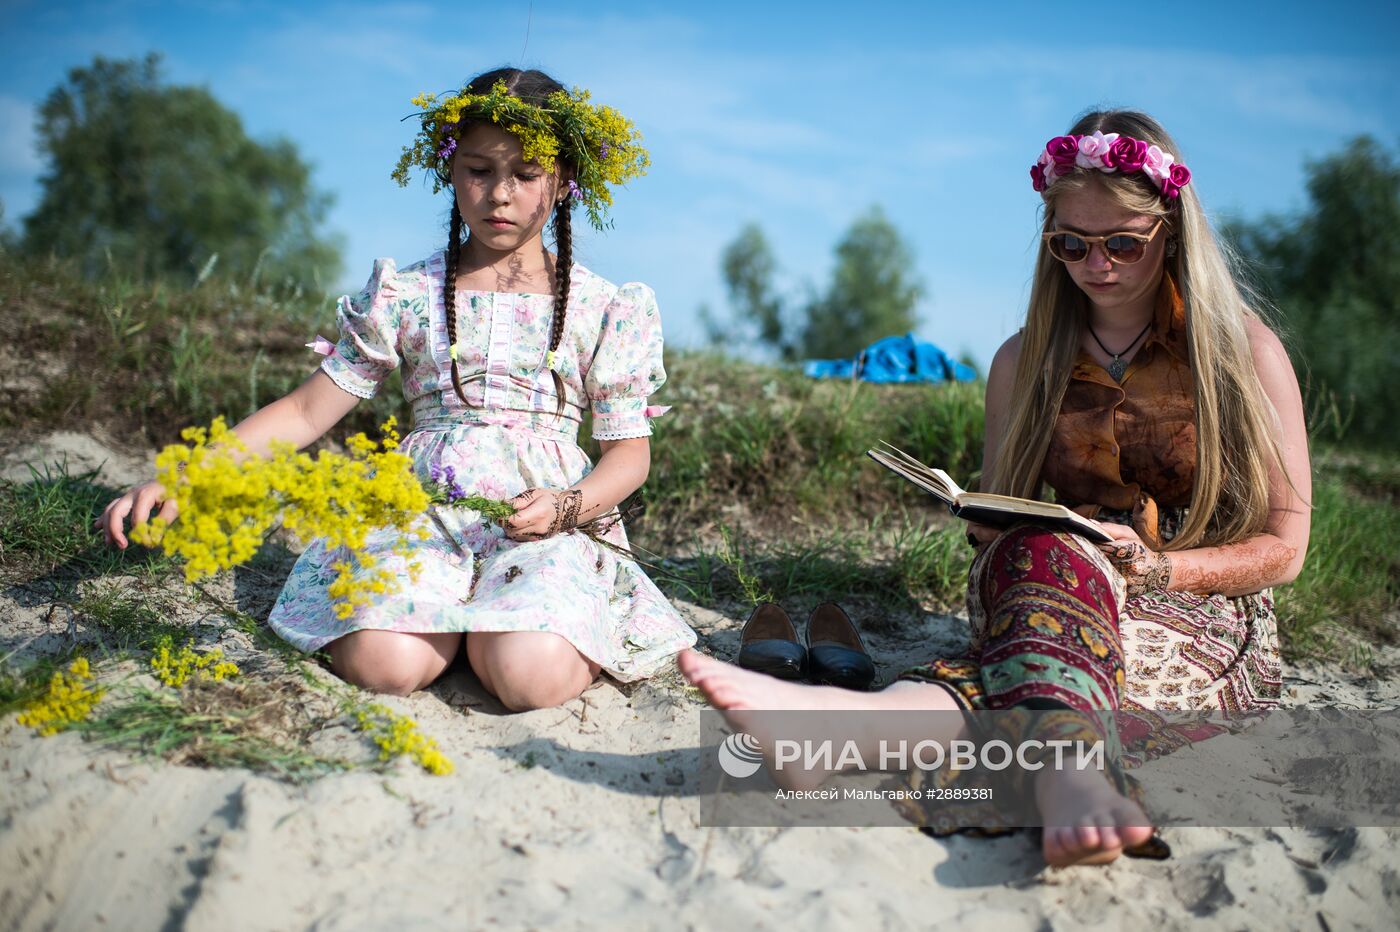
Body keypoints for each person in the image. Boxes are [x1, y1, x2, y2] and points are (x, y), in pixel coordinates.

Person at [680, 109, 1310, 867]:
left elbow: (1287, 547)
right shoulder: (1023, 360)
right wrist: (986, 518)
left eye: (1121, 243)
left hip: (1195, 601)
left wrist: (1158, 566)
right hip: (1048, 579)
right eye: (1070, 243)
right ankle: (1070, 782)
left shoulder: (1244, 352)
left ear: (1170, 229)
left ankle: (855, 733)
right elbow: (1000, 506)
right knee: (1051, 568)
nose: (1095, 264)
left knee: (1014, 669)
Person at [100, 67, 696, 709]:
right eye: (478, 170)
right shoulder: (406, 294)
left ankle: (496, 631)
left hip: (548, 520)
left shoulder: (605, 306)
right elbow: (305, 411)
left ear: (565, 179)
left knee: (530, 677)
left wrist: (567, 508)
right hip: (421, 509)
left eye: (526, 174)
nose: (500, 194)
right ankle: (451, 628)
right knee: (383, 662)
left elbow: (629, 454)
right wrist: (192, 477)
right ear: (449, 169)